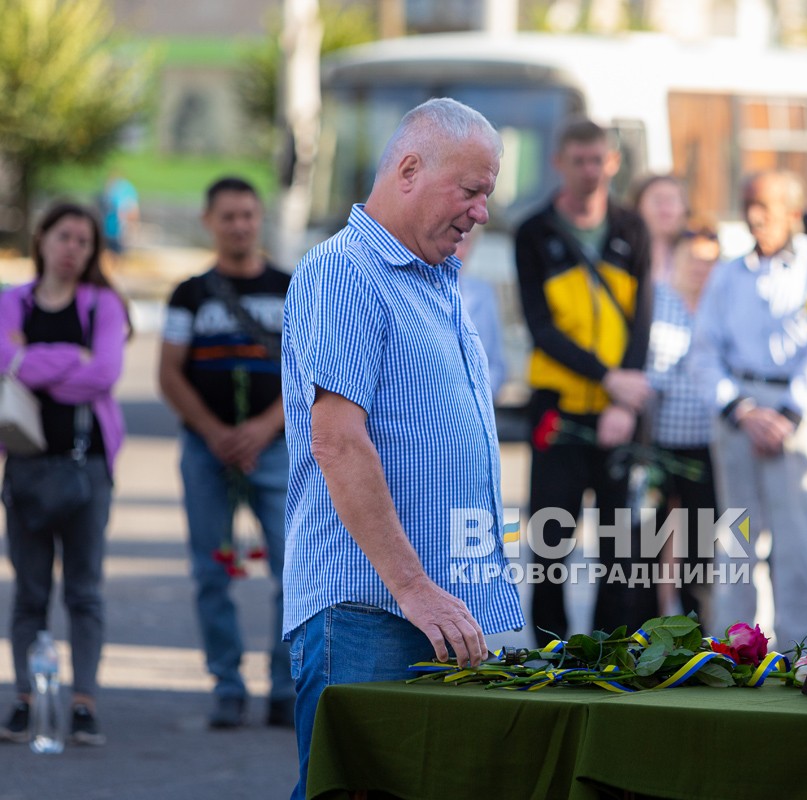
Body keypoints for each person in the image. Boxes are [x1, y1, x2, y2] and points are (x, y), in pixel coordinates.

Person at [282, 98, 523, 799]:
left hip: (433, 618)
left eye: (489, 194)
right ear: (410, 170)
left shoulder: (433, 281)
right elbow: (338, 441)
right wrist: (416, 589)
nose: (482, 212)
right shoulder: (345, 272)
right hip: (372, 613)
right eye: (472, 190)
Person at [691, 170, 807, 648]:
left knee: (798, 541)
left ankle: (799, 649)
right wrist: (740, 409)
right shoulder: (727, 272)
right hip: (739, 414)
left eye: (764, 205)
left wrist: (788, 414)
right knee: (737, 541)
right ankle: (732, 648)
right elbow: (703, 352)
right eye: (747, 204)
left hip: (794, 414)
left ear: (793, 210)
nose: (754, 215)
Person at [158, 177, 294, 730]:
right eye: (228, 216)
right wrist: (214, 432)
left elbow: (312, 372)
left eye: (248, 215)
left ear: (260, 220)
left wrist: (262, 428)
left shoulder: (294, 287)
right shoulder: (188, 294)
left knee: (294, 570)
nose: (239, 225)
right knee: (211, 572)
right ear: (208, 221)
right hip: (204, 451)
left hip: (277, 451)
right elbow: (168, 373)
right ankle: (227, 685)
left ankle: (285, 687)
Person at [515, 118, 656, 641]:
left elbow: (642, 317)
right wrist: (608, 379)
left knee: (621, 542)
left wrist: (626, 399)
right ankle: (550, 652)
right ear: (559, 163)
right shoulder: (534, 231)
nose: (589, 171)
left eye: (598, 160)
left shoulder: (631, 228)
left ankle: (610, 651)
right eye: (578, 160)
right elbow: (540, 328)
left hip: (621, 410)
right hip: (558, 404)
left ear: (613, 163)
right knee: (551, 538)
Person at [0, 202, 129, 746]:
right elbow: (4, 363)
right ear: (42, 240)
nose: (73, 248)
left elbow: (102, 374)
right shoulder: (12, 302)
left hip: (88, 468)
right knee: (29, 591)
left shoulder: (103, 306)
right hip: (25, 466)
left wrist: (32, 364)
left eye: (84, 240)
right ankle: (26, 698)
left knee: (84, 590)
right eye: (64, 237)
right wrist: (65, 358)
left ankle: (83, 702)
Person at [645, 224, 722, 619]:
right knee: (647, 542)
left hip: (707, 443)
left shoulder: (720, 305)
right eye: (693, 258)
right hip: (657, 440)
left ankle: (698, 630)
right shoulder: (656, 299)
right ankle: (647, 627)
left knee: (699, 546)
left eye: (710, 261)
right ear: (675, 258)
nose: (701, 269)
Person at [455, 227, 507, 398]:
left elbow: (496, 364)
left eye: (463, 242)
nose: (455, 250)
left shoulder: (482, 293)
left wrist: (474, 398)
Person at [630, 174, 688, 283]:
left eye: (672, 201)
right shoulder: (624, 254)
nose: (665, 209)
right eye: (657, 201)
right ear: (637, 206)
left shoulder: (697, 258)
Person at [100, 172, 139, 257]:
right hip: (110, 229)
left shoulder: (123, 191)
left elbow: (131, 211)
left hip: (116, 230)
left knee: (116, 253)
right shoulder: (111, 192)